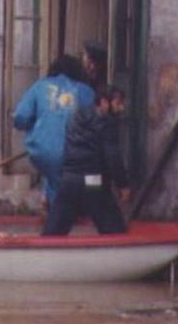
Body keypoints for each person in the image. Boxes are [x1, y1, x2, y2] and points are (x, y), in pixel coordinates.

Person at [43, 85, 131, 236]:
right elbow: (113, 157)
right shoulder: (107, 123)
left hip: (69, 180)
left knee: (53, 233)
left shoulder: (77, 117)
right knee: (114, 231)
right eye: (118, 103)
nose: (121, 108)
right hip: (93, 181)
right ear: (104, 102)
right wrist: (123, 185)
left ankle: (39, 256)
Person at [12, 54, 95, 210]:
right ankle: (61, 211)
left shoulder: (39, 86)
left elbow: (20, 117)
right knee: (63, 177)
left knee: (52, 173)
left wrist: (38, 124)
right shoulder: (86, 91)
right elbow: (94, 123)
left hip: (41, 150)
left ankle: (54, 205)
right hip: (73, 152)